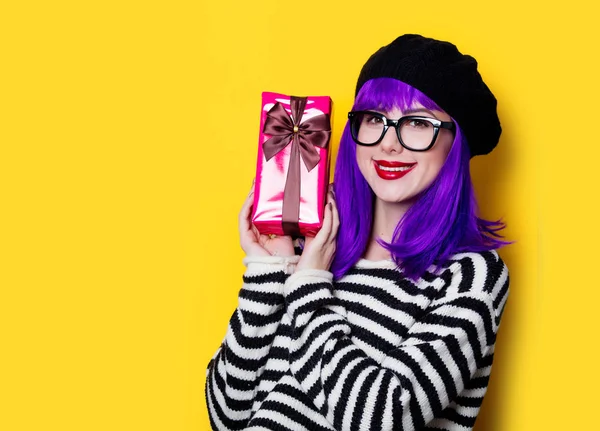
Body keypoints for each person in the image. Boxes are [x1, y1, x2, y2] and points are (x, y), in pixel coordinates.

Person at [205, 34, 510, 431]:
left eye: (417, 122)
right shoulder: (312, 248)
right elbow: (226, 415)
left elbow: (381, 418)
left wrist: (308, 287)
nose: (389, 144)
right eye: (374, 119)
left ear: (455, 143)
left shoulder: (471, 276)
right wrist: (268, 271)